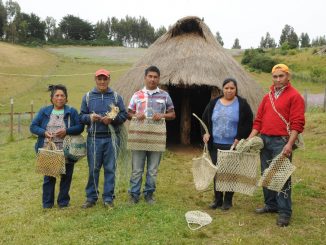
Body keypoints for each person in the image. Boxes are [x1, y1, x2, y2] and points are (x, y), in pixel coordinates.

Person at [248, 64, 305, 227]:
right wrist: (250, 139)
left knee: (282, 176)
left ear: (288, 77)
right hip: (264, 141)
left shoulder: (295, 96)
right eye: (275, 76)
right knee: (266, 174)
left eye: (281, 76)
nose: (278, 79)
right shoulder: (268, 97)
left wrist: (289, 144)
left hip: (282, 141)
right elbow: (258, 121)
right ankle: (270, 205)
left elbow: (297, 123)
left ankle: (285, 212)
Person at [202, 78, 253, 211]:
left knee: (230, 172)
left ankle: (228, 200)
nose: (229, 90)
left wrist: (240, 138)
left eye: (232, 88)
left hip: (233, 144)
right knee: (217, 172)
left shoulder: (242, 104)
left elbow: (248, 123)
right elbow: (204, 120)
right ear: (222, 89)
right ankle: (217, 199)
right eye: (226, 88)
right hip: (215, 143)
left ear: (236, 89)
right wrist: (205, 133)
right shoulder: (214, 103)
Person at [80, 68, 128, 208]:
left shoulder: (116, 97)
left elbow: (123, 115)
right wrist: (90, 117)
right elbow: (81, 116)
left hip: (111, 138)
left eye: (104, 78)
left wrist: (111, 119)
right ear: (95, 80)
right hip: (94, 138)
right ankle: (91, 197)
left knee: (110, 169)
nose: (102, 81)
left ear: (109, 79)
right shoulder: (88, 97)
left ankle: (108, 198)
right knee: (93, 169)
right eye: (99, 79)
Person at [30, 84, 84, 209]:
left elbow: (80, 127)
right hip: (49, 149)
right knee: (49, 176)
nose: (60, 98)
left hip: (67, 149)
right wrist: (44, 132)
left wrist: (67, 131)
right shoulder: (44, 112)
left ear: (66, 98)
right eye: (57, 95)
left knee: (66, 176)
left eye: (62, 95)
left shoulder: (71, 111)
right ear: (52, 98)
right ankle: (47, 203)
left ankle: (63, 202)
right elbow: (33, 126)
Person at [128, 65, 175, 204]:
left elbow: (173, 114)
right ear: (145, 77)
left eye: (155, 77)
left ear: (159, 79)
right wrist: (136, 115)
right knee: (137, 169)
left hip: (156, 137)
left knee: (152, 170)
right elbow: (128, 113)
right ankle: (134, 195)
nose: (152, 79)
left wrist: (162, 115)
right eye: (150, 76)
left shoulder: (164, 95)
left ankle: (149, 194)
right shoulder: (137, 95)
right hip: (139, 136)